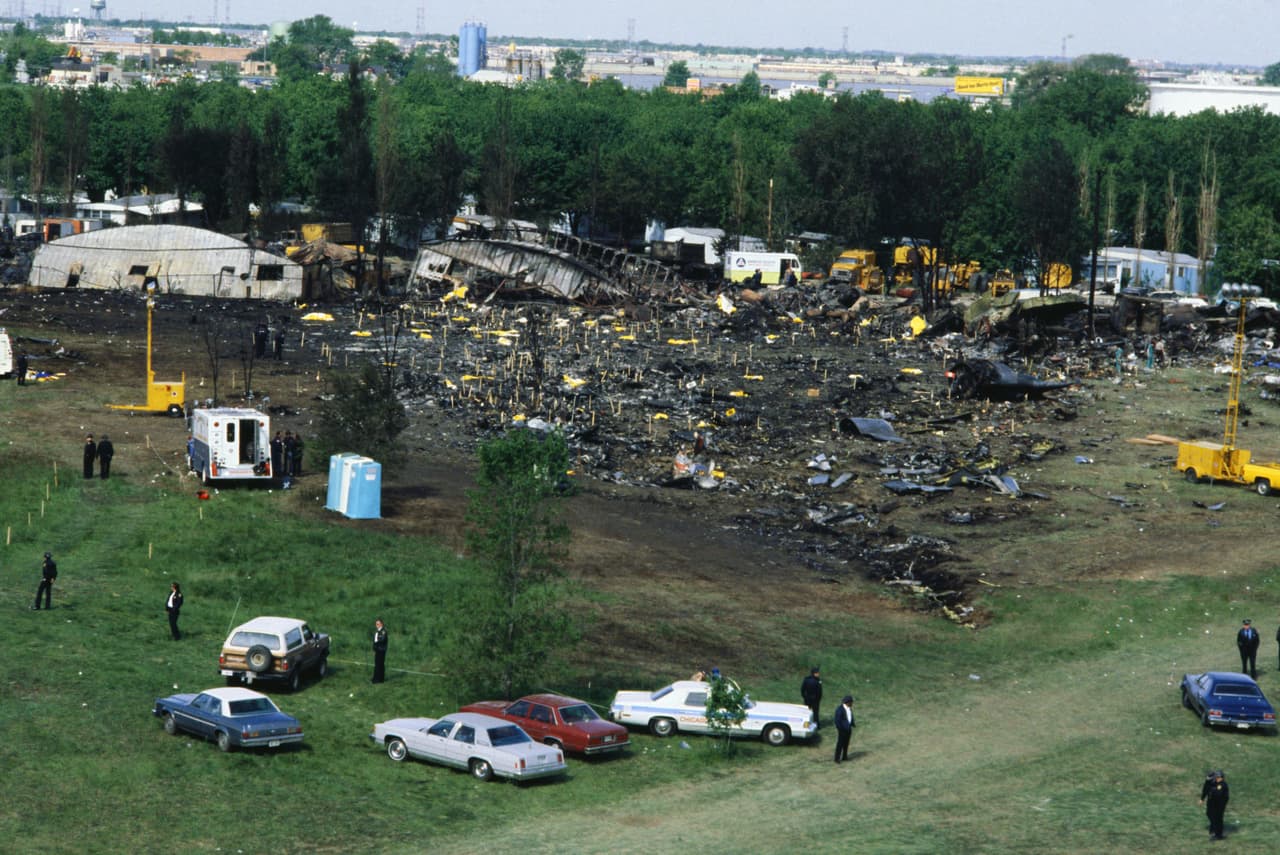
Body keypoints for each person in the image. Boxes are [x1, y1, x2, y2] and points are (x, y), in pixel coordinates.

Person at [1200, 769, 1229, 841]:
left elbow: (1218, 793)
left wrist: (1212, 789)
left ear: (1221, 777)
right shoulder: (1214, 782)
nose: (1215, 778)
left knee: (1218, 819)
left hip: (1219, 805)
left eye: (1217, 777)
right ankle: (1213, 828)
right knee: (1209, 814)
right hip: (1212, 803)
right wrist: (1207, 780)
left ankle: (1218, 835)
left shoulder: (1222, 785)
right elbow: (1206, 788)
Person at [833, 695, 855, 763]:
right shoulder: (840, 709)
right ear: (847, 702)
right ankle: (837, 758)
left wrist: (852, 723)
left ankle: (844, 756)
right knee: (840, 744)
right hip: (842, 730)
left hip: (848, 729)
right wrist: (840, 728)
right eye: (851, 702)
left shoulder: (849, 708)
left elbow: (850, 717)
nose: (852, 703)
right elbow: (837, 721)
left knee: (846, 743)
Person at [371, 619, 388, 683]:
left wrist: (377, 642)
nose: (376, 625)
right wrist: (374, 648)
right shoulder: (376, 632)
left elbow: (382, 640)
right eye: (376, 624)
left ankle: (380, 679)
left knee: (380, 664)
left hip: (381, 650)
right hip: (377, 650)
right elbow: (374, 641)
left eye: (378, 624)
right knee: (377, 664)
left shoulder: (383, 631)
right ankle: (375, 677)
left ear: (381, 624)